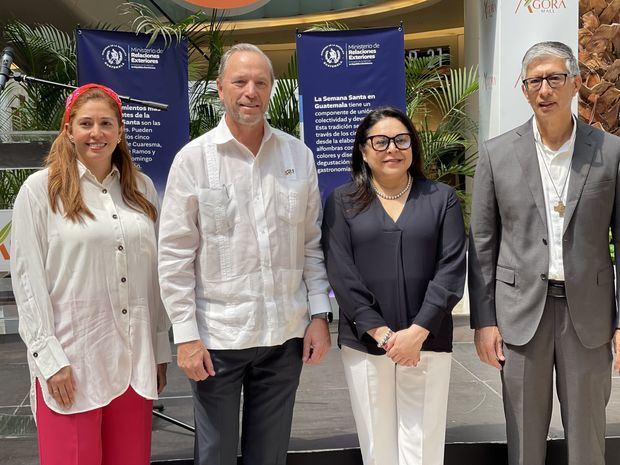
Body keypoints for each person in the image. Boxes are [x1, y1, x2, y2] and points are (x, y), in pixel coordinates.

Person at [158, 43, 332, 465]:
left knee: (269, 456)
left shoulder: (298, 156)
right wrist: (185, 335)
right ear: (220, 88)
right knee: (214, 455)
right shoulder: (193, 160)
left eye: (260, 82)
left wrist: (320, 316)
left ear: (271, 89)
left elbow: (311, 244)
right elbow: (175, 256)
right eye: (240, 81)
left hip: (284, 335)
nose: (250, 91)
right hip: (217, 338)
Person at [468, 41, 620, 465]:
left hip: (588, 317)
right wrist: (484, 321)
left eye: (555, 78)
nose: (544, 89)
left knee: (589, 442)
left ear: (575, 84)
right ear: (524, 90)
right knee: (523, 443)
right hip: (520, 317)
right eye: (534, 81)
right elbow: (482, 242)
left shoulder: (610, 152)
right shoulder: (497, 154)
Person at [11, 83, 171, 465]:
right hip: (72, 364)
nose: (95, 133)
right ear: (68, 130)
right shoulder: (40, 192)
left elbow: (156, 278)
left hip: (134, 363)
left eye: (105, 123)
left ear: (120, 131)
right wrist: (50, 360)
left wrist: (160, 350)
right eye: (85, 124)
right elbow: (27, 284)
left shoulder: (143, 190)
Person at [321, 106, 466, 465]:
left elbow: (451, 268)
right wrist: (384, 335)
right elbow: (342, 273)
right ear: (363, 150)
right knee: (378, 448)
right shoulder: (342, 202)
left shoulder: (440, 198)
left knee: (424, 448)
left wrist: (416, 333)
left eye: (401, 140)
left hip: (427, 340)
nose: (392, 149)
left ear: (412, 147)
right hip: (367, 342)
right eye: (380, 141)